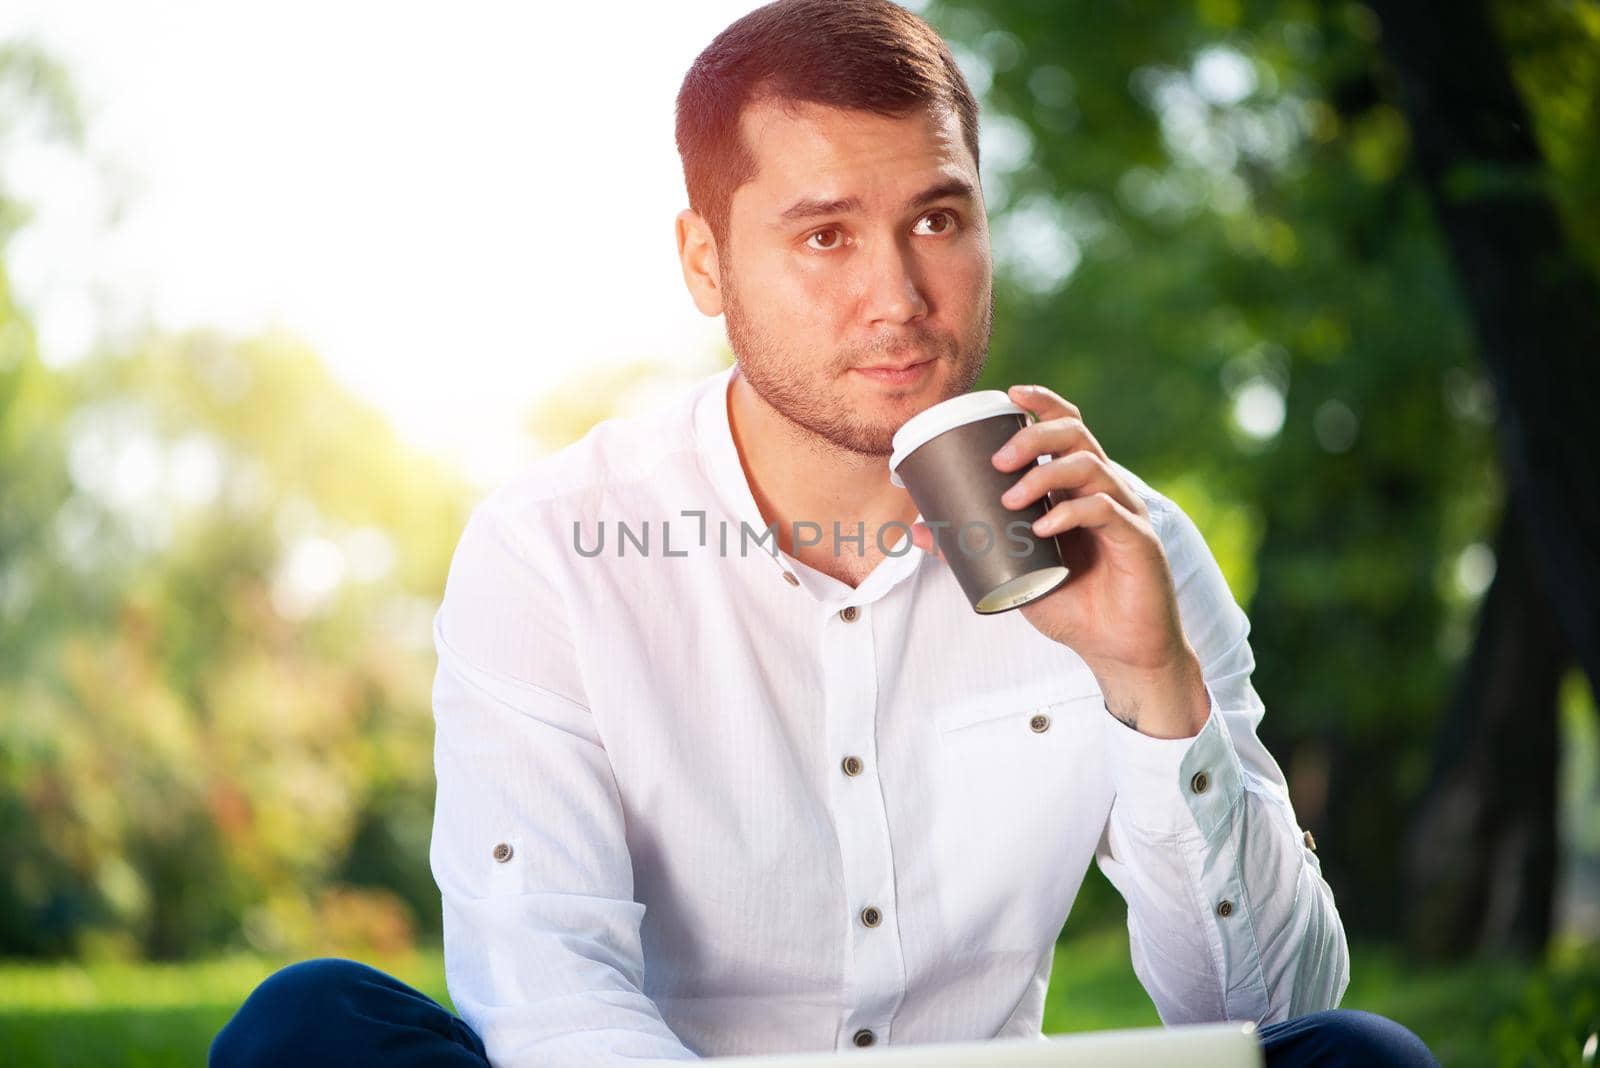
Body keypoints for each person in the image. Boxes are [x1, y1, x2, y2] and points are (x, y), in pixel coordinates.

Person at [210, 1, 1439, 1065]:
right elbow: (550, 1001)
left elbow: (1268, 1015)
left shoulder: (1125, 545)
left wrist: (1149, 686)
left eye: (938, 221)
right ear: (705, 262)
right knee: (309, 1028)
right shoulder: (553, 550)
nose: (898, 297)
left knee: (1357, 1057)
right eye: (824, 234)